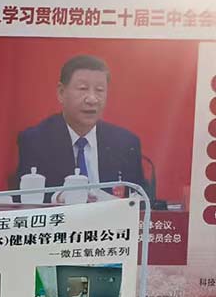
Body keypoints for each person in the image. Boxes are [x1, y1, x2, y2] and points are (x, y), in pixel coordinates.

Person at [16, 55, 146, 199]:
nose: (92, 99)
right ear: (61, 93)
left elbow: (141, 200)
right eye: (83, 89)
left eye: (99, 90)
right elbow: (23, 198)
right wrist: (59, 198)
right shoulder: (36, 141)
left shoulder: (126, 143)